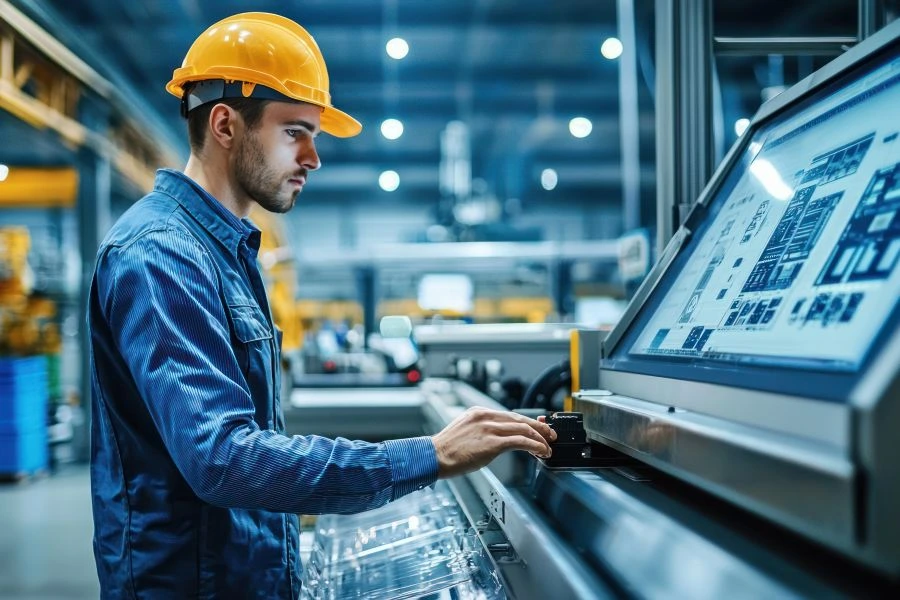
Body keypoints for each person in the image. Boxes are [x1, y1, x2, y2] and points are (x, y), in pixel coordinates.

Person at [88, 12, 556, 599]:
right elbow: (223, 459)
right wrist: (429, 456)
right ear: (226, 124)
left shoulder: (223, 249)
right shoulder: (161, 254)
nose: (313, 157)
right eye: (294, 132)